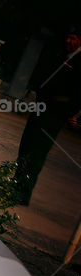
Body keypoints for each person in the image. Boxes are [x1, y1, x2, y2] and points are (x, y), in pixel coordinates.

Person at [15, 31, 81, 205]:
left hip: (54, 116)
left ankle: (23, 193)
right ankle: (15, 185)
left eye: (73, 38)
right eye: (67, 37)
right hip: (39, 107)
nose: (68, 41)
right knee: (25, 146)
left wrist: (68, 113)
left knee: (37, 154)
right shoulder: (59, 54)